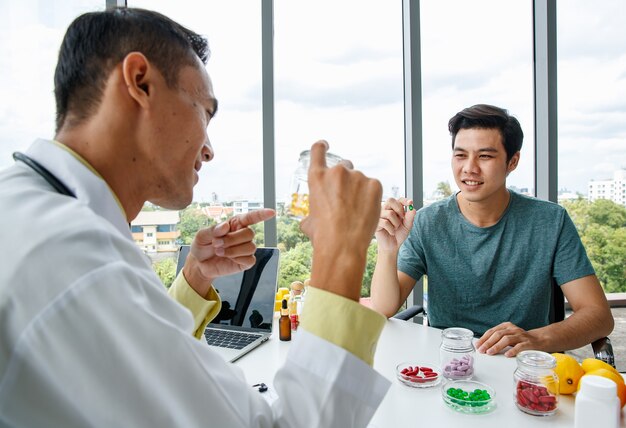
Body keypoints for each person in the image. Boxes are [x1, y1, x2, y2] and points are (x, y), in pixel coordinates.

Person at [0, 8, 389, 427]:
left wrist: (195, 279)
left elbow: (140, 370)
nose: (208, 149)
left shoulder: (28, 212)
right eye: (205, 111)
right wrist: (341, 255)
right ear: (140, 82)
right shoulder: (75, 259)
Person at [371, 103, 614, 357]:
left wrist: (535, 338)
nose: (469, 168)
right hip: (452, 360)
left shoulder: (550, 221)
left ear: (513, 161)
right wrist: (388, 250)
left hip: (523, 363)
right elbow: (383, 307)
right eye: (460, 155)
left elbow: (599, 316)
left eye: (485, 156)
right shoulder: (428, 222)